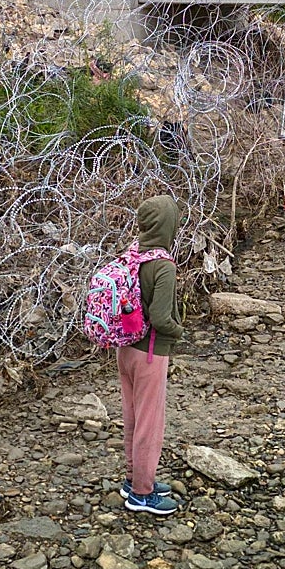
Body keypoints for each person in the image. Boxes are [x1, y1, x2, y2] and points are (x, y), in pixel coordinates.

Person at [119, 195, 183, 516]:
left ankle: (132, 478)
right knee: (150, 423)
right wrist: (179, 332)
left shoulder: (131, 255)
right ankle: (142, 494)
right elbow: (161, 318)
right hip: (150, 354)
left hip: (125, 349)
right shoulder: (163, 266)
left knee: (131, 417)